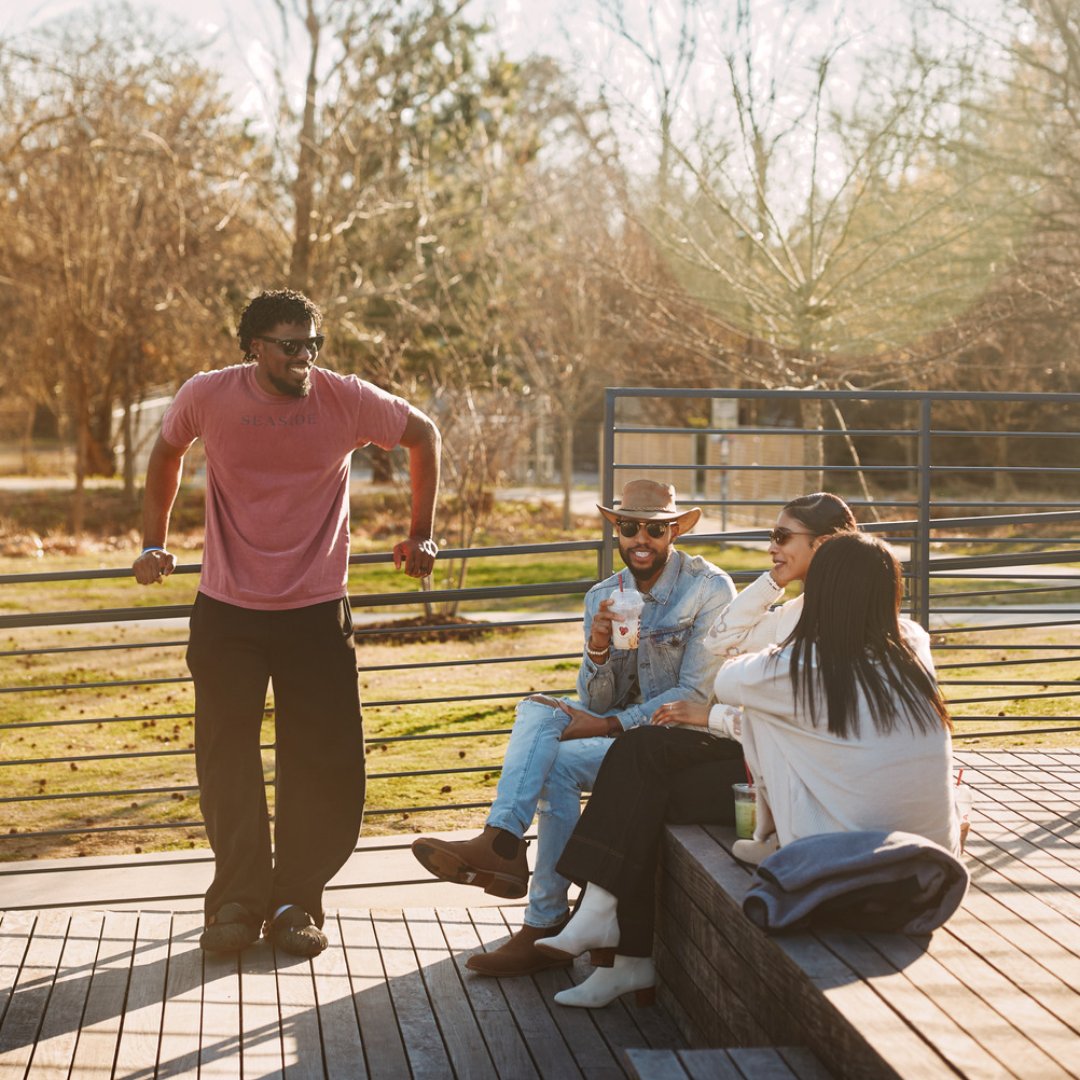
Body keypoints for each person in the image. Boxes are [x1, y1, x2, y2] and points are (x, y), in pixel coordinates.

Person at [133, 288, 440, 958]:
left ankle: (299, 899)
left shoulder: (344, 398)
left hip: (316, 609)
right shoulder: (209, 395)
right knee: (227, 757)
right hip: (228, 610)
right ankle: (237, 902)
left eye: (312, 344)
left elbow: (423, 435)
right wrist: (154, 541)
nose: (304, 358)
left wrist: (421, 534)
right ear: (253, 347)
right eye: (289, 346)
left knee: (325, 760)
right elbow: (165, 452)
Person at [537, 532, 957, 1008]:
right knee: (646, 762)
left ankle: (615, 932)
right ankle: (615, 934)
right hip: (929, 861)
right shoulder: (912, 647)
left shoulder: (799, 666)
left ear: (823, 591)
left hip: (836, 860)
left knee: (643, 774)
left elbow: (728, 671)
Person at [410, 479, 736, 977]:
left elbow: (693, 694)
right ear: (617, 531)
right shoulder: (604, 596)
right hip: (626, 739)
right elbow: (596, 698)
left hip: (681, 743)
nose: (641, 539)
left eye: (655, 528)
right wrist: (599, 649)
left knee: (556, 758)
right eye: (630, 527)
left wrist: (608, 723)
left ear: (674, 532)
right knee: (537, 712)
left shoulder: (708, 588)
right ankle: (504, 845)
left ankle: (535, 908)